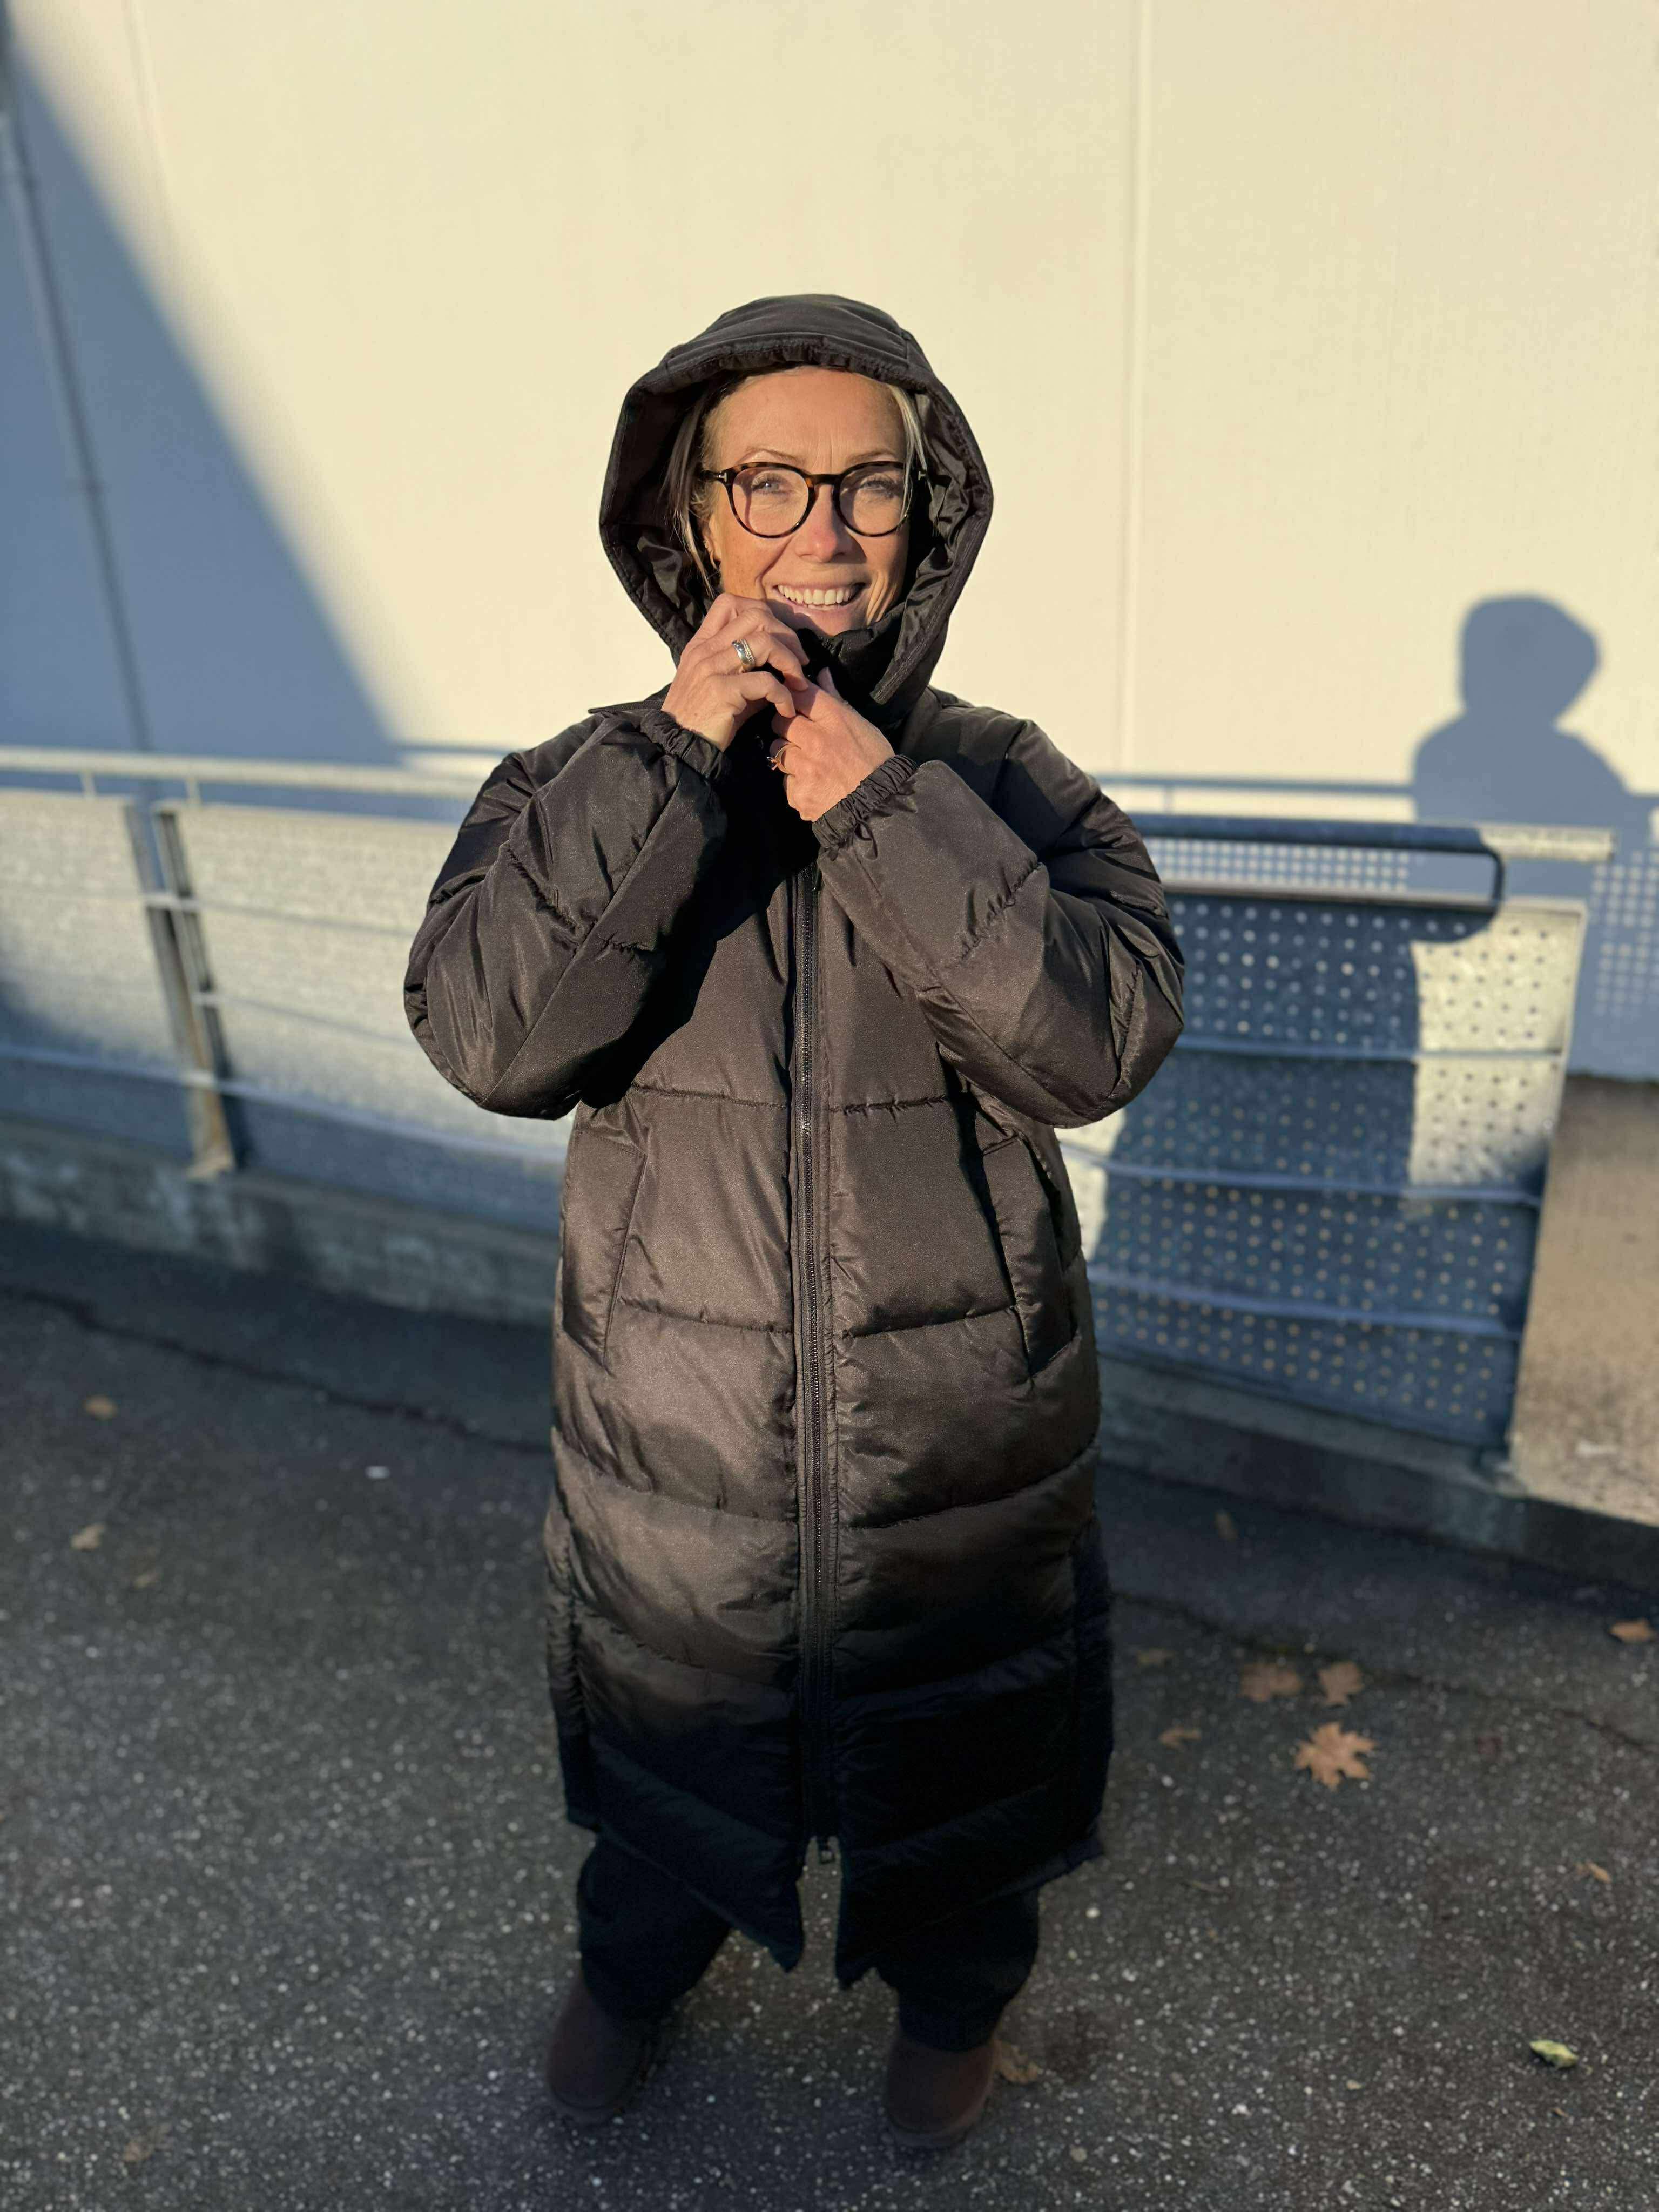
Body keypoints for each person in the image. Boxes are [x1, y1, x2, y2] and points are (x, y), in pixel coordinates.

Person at [402, 293, 1184, 2153]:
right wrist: (679, 754)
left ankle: (957, 2016)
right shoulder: (574, 778)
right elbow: (493, 1038)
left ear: (930, 512)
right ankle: (630, 1981)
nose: (823, 529)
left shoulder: (1005, 777)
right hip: (677, 1429)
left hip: (960, 1439)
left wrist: (888, 810)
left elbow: (1098, 1043)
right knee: (668, 1771)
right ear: (693, 513)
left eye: (869, 485)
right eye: (770, 481)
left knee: (971, 1785)